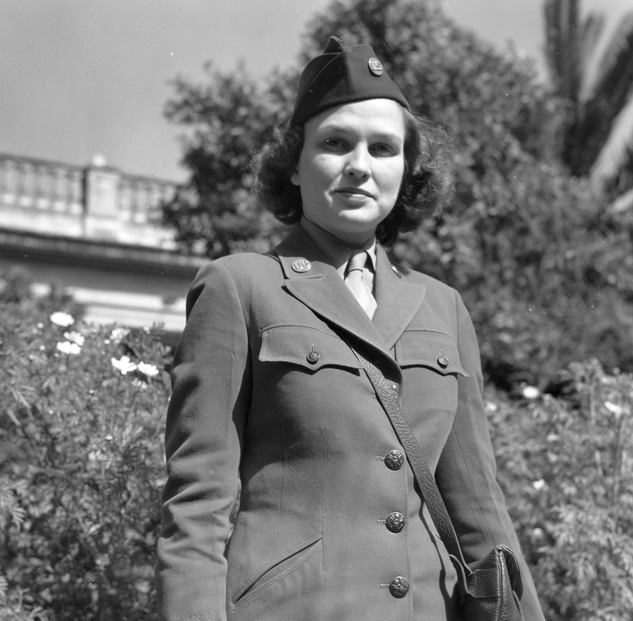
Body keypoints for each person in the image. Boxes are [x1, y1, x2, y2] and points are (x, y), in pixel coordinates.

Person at [156, 36, 545, 621]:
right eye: (336, 143)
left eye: (384, 148)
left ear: (407, 172)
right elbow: (198, 505)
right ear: (295, 163)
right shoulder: (240, 286)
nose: (360, 166)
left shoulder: (442, 308)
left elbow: (479, 507)